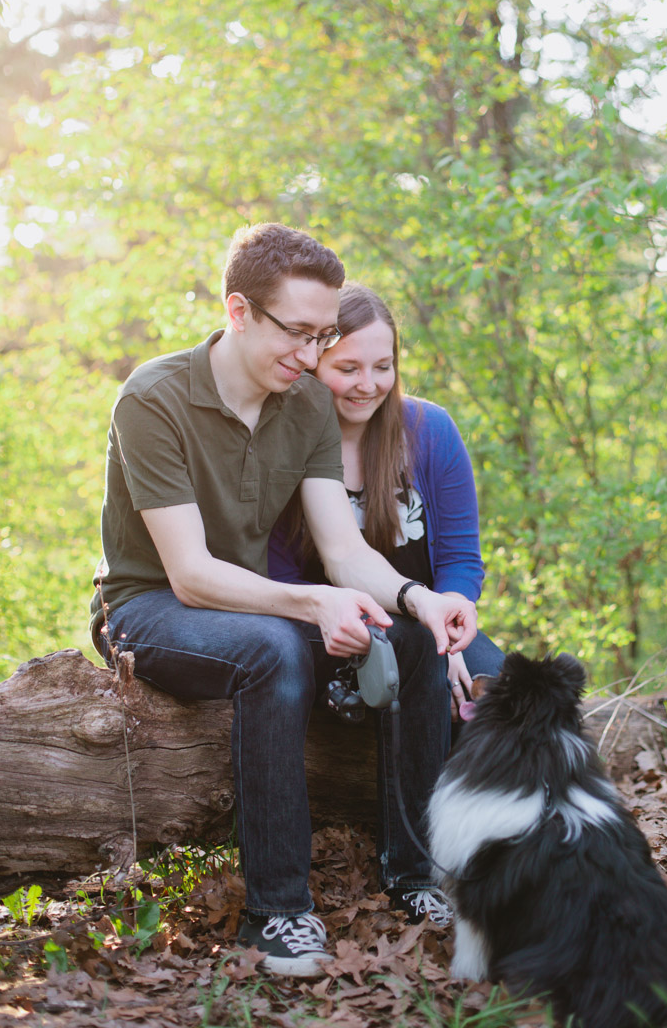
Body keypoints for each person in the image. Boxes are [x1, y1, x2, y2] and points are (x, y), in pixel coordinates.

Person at [89, 223, 477, 979]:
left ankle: (414, 874)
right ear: (238, 312)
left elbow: (342, 551)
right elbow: (191, 576)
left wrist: (415, 597)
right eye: (297, 333)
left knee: (412, 638)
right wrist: (310, 606)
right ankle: (279, 912)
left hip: (254, 604)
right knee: (272, 651)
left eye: (321, 335)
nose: (311, 357)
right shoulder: (154, 398)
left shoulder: (301, 406)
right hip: (150, 607)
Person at [268, 283, 503, 720]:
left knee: (503, 702)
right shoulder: (283, 443)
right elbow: (279, 574)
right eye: (349, 368)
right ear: (314, 364)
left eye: (383, 367)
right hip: (328, 633)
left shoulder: (429, 430)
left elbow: (461, 558)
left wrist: (448, 641)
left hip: (428, 620)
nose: (368, 385)